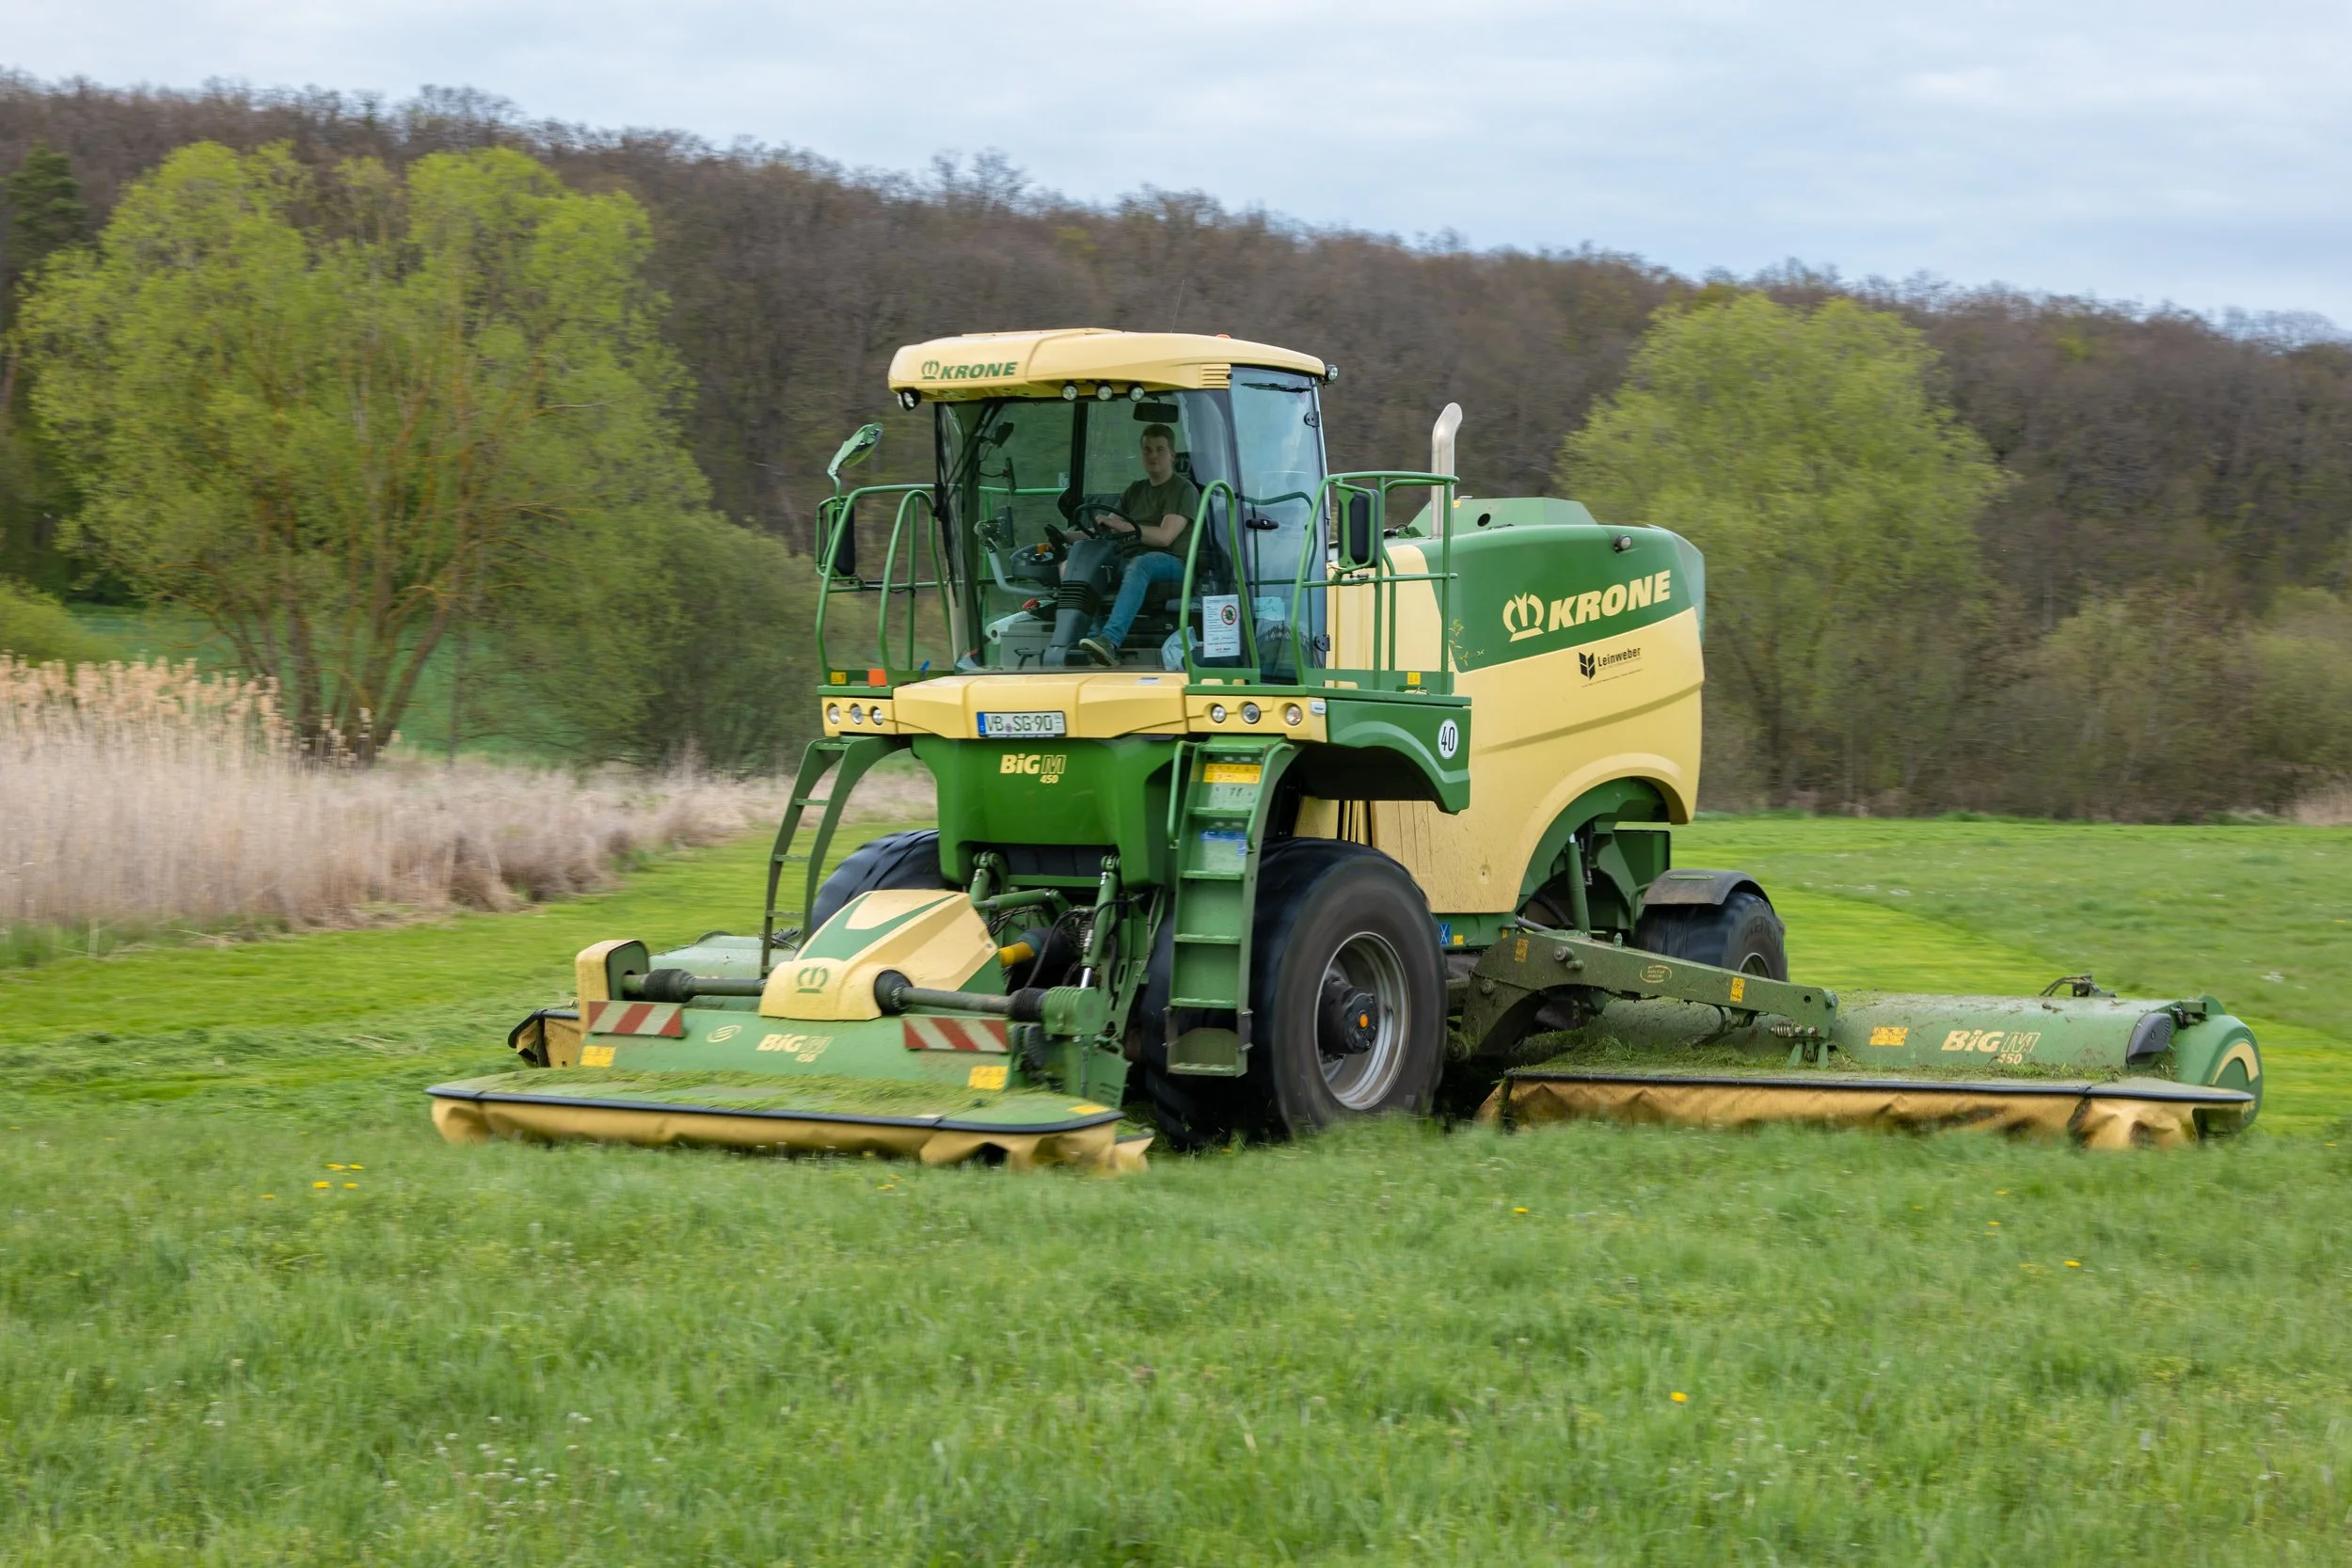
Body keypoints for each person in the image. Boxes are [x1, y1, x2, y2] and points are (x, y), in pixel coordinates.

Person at [1044, 422, 1200, 665]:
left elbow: (1164, 537)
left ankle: (1110, 639)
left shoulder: (1183, 490)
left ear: (1172, 454)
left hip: (1174, 562)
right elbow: (1103, 531)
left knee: (1141, 564)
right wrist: (1065, 537)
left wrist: (1121, 526)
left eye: (1160, 449)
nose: (1153, 455)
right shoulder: (1135, 490)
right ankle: (1092, 639)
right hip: (1129, 559)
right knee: (1074, 567)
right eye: (1147, 450)